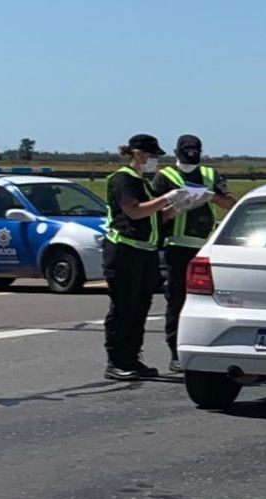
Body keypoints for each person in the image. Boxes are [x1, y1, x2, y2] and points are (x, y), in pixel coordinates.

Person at [102, 134, 188, 381]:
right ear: (138, 154)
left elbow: (154, 218)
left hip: (145, 251)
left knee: (140, 307)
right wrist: (165, 199)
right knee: (123, 307)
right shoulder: (123, 179)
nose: (155, 161)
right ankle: (116, 361)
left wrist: (178, 207)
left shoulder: (143, 182)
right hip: (125, 251)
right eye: (152, 156)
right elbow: (133, 211)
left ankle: (132, 358)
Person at [150, 134, 237, 372]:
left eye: (195, 150)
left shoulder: (210, 175)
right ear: (177, 152)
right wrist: (176, 207)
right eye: (187, 151)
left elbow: (231, 204)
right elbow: (154, 214)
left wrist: (211, 197)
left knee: (207, 301)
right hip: (176, 247)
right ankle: (175, 351)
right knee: (177, 300)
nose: (191, 155)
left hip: (203, 247)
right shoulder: (164, 177)